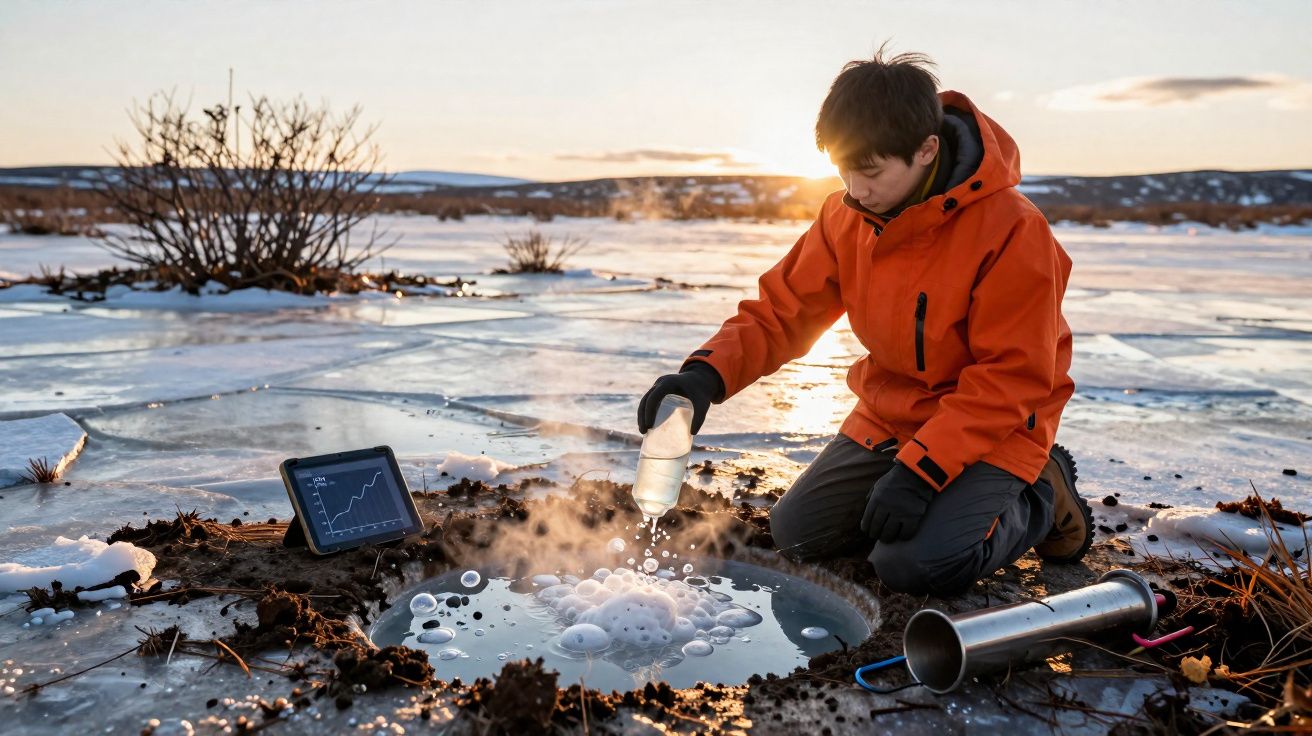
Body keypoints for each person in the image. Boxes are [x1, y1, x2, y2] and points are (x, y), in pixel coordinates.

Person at [636, 47, 1093, 597]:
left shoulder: (1014, 232)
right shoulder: (845, 215)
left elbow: (1012, 378)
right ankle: (928, 487)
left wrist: (923, 472)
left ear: (926, 150)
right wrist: (704, 376)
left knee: (914, 566)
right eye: (844, 169)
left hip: (996, 426)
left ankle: (1041, 496)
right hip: (891, 416)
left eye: (870, 171)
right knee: (796, 536)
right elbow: (783, 311)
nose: (855, 187)